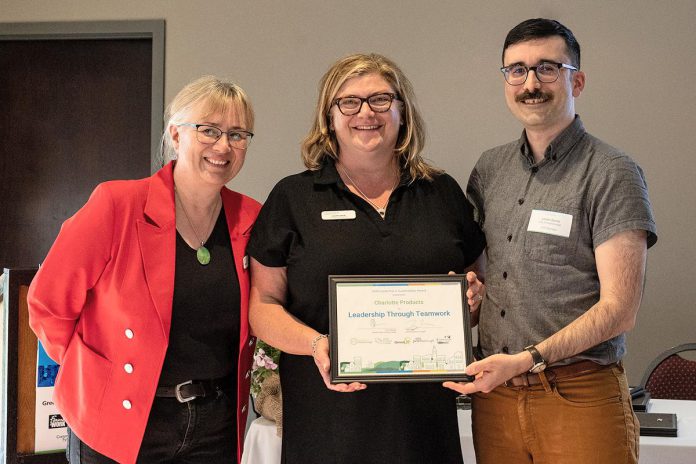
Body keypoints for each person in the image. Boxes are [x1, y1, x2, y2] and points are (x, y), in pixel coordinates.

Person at [247, 53, 486, 463]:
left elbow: (475, 294)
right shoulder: (293, 198)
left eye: (380, 99)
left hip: (424, 427)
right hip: (328, 423)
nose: (366, 113)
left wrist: (473, 300)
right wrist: (317, 343)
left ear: (401, 111)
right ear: (330, 117)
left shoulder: (442, 193)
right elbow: (262, 306)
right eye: (349, 102)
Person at [444, 18, 658, 464]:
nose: (530, 83)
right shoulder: (490, 169)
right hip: (496, 397)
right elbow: (484, 279)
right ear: (506, 82)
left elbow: (621, 310)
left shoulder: (612, 172)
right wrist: (467, 298)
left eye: (547, 68)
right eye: (516, 70)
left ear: (576, 80)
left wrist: (527, 360)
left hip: (578, 393)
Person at [27, 76, 261, 464]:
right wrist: (95, 373)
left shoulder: (251, 218)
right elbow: (47, 303)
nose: (223, 146)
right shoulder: (117, 204)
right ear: (175, 134)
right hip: (119, 419)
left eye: (237, 134)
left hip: (214, 428)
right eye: (208, 130)